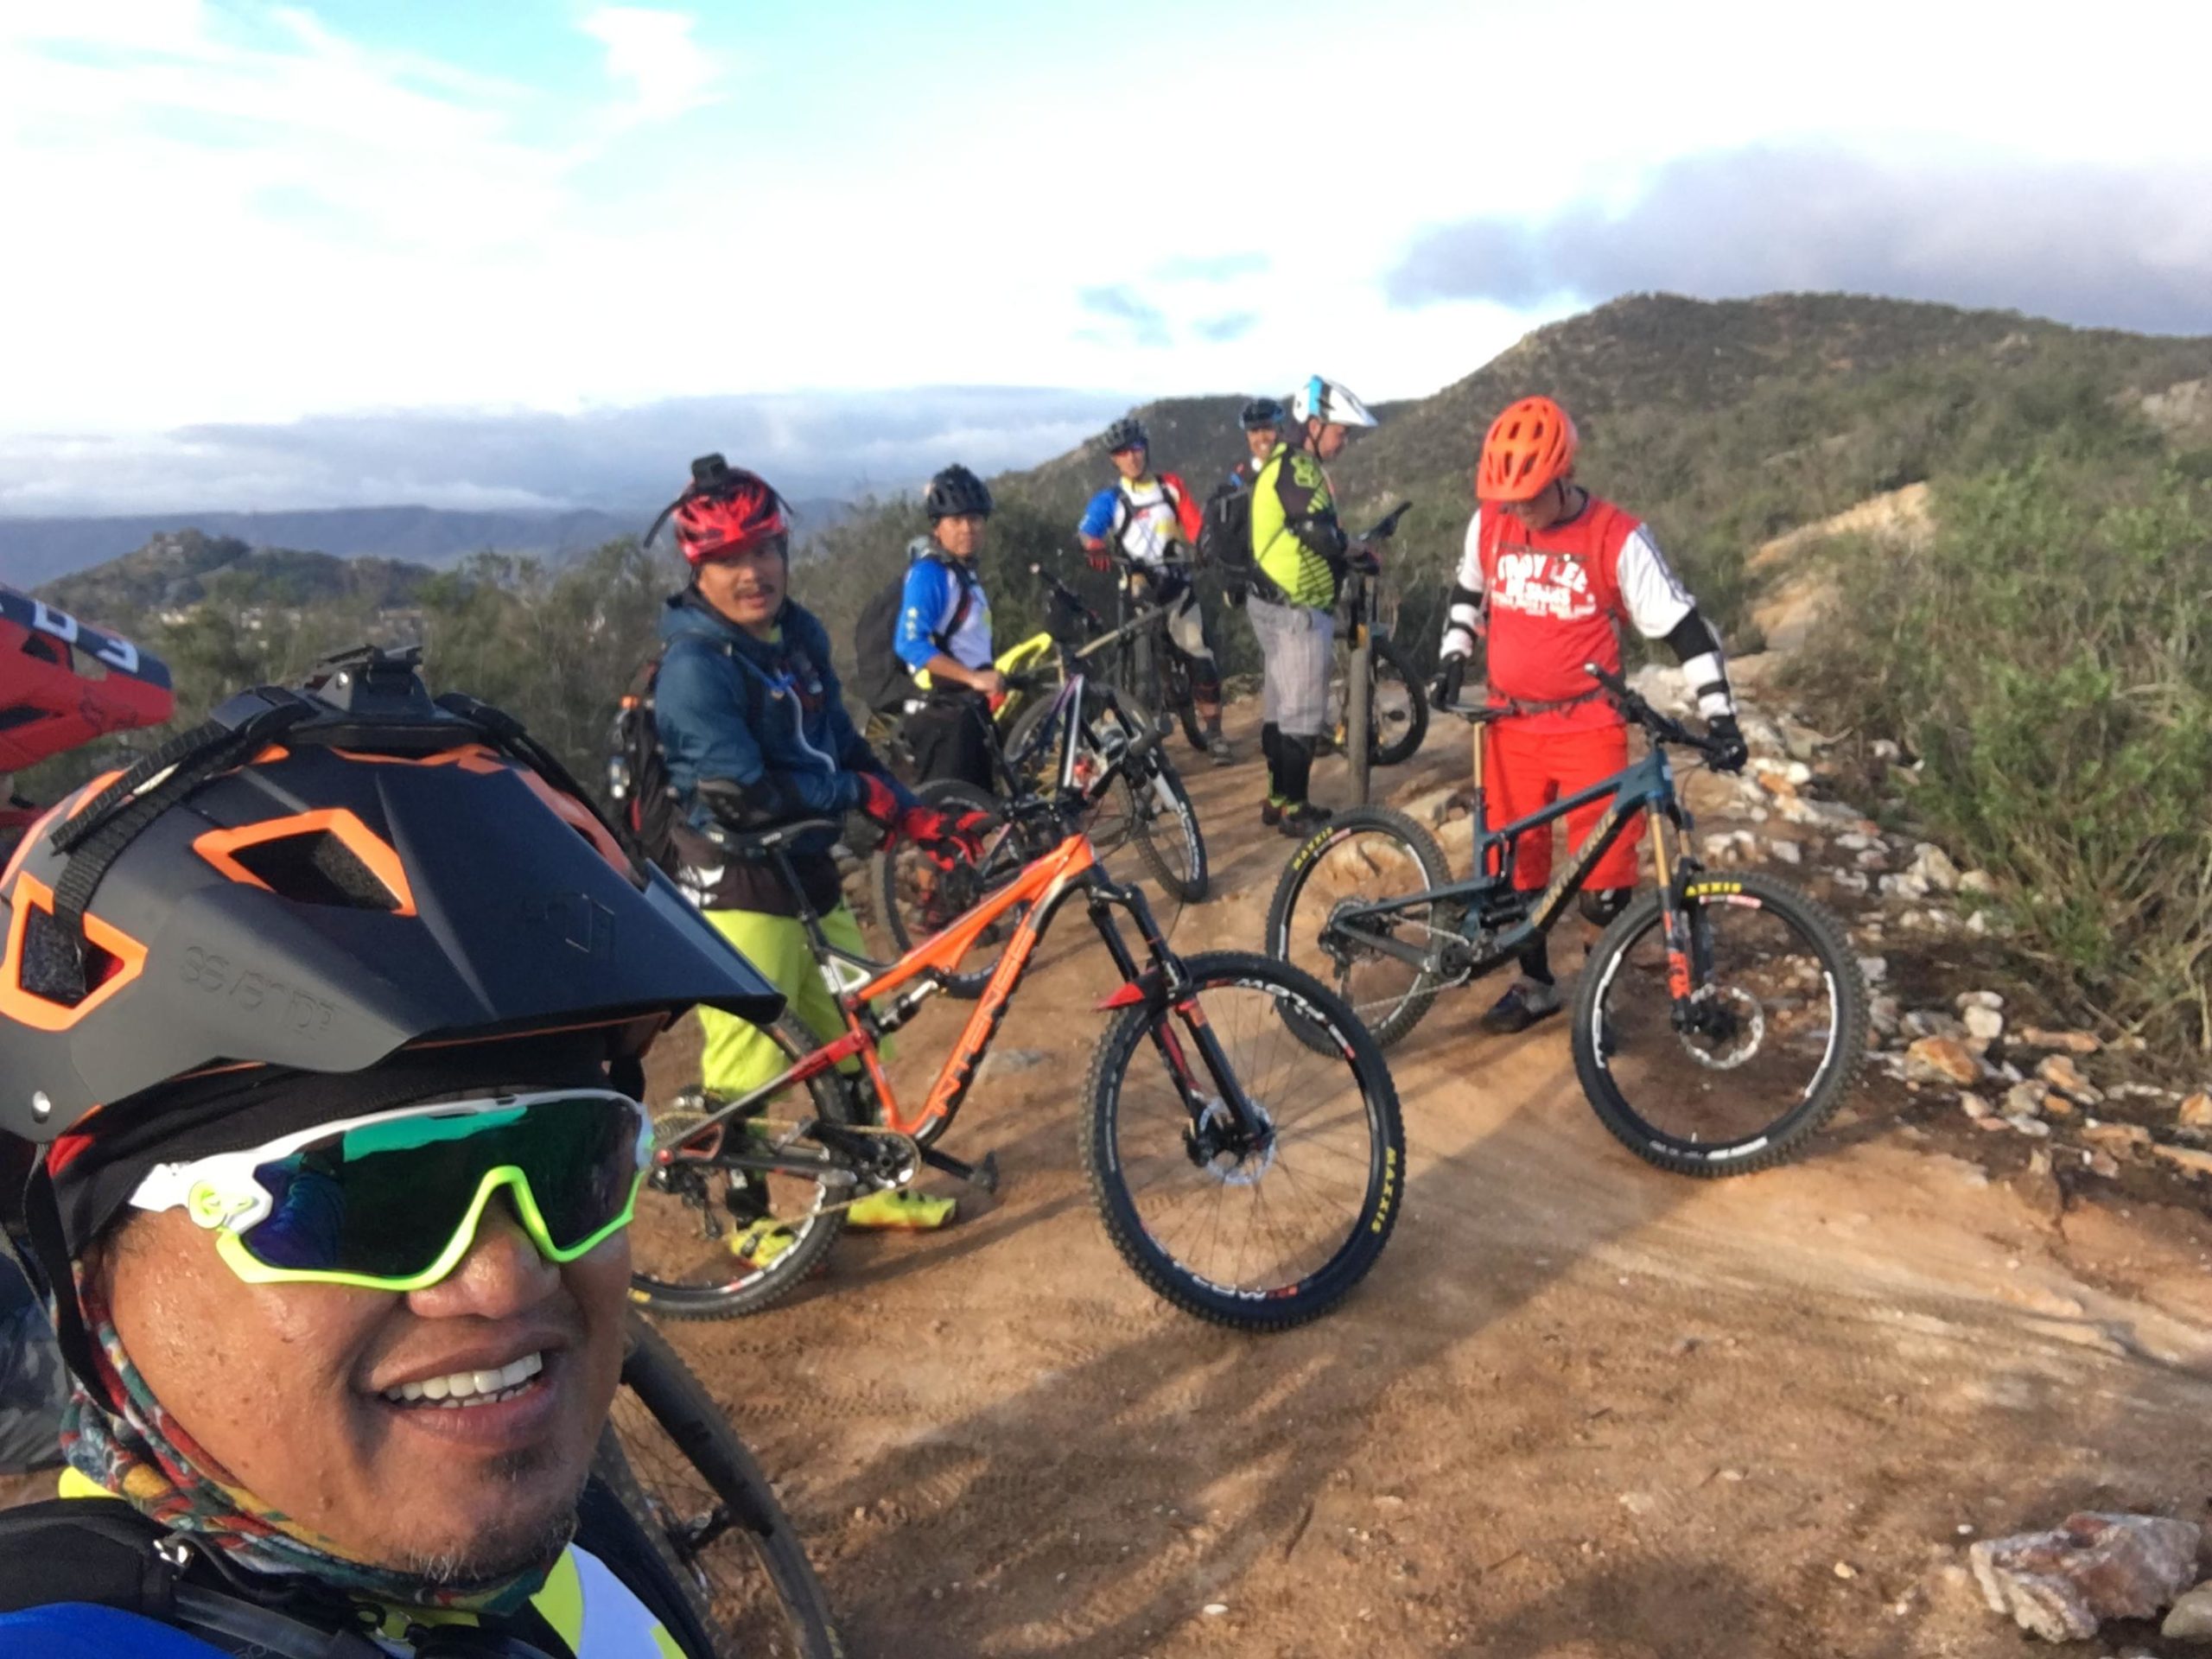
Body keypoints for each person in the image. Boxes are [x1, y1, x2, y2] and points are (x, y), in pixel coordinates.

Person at [0, 645, 785, 1656]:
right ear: (90, 1269)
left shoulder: (575, 1565)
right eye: (364, 1189)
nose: (505, 1279)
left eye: (572, 1163)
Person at [652, 459, 975, 1251]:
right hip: (736, 879)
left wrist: (906, 812)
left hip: (806, 868)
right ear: (700, 569)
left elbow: (836, 742)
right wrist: (855, 799)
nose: (752, 572)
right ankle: (750, 1226)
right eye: (729, 559)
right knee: (748, 1065)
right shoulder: (694, 668)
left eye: (764, 549)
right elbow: (742, 794)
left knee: (853, 1031)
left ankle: (863, 1189)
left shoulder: (797, 635)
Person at [1432, 394, 1748, 1034]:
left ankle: (1597, 996)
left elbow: (1684, 629)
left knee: (1604, 880)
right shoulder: (1489, 523)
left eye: (1530, 495)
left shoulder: (1615, 537)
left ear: (1564, 476)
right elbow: (1470, 588)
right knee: (1517, 868)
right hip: (1508, 723)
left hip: (1588, 725)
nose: (1517, 508)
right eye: (1507, 495)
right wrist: (1453, 653)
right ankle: (1535, 984)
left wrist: (1722, 718)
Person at [1247, 375, 1376, 836]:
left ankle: (1278, 798)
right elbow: (1320, 534)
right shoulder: (1300, 468)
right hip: (1295, 608)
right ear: (1316, 425)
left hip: (1270, 602)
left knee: (1280, 707)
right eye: (1341, 432)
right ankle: (1296, 811)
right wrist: (1353, 550)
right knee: (1301, 712)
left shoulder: (1282, 463)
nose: (1344, 442)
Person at [1077, 416, 1234, 764]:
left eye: (1136, 449)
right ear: (1114, 460)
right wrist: (1093, 546)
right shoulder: (1111, 499)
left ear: (1145, 449)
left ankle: (1215, 732)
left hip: (1176, 584)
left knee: (1198, 653)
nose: (1131, 457)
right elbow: (1089, 531)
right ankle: (1140, 731)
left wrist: (1205, 547)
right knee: (1134, 667)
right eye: (1122, 453)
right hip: (1137, 587)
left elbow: (1195, 526)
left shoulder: (1170, 487)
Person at [893, 464, 1001, 791]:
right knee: (950, 822)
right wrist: (973, 677)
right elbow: (909, 643)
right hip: (941, 715)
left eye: (975, 519)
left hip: (968, 709)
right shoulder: (931, 573)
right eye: (956, 521)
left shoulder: (962, 573)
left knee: (978, 819)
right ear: (938, 527)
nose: (968, 528)